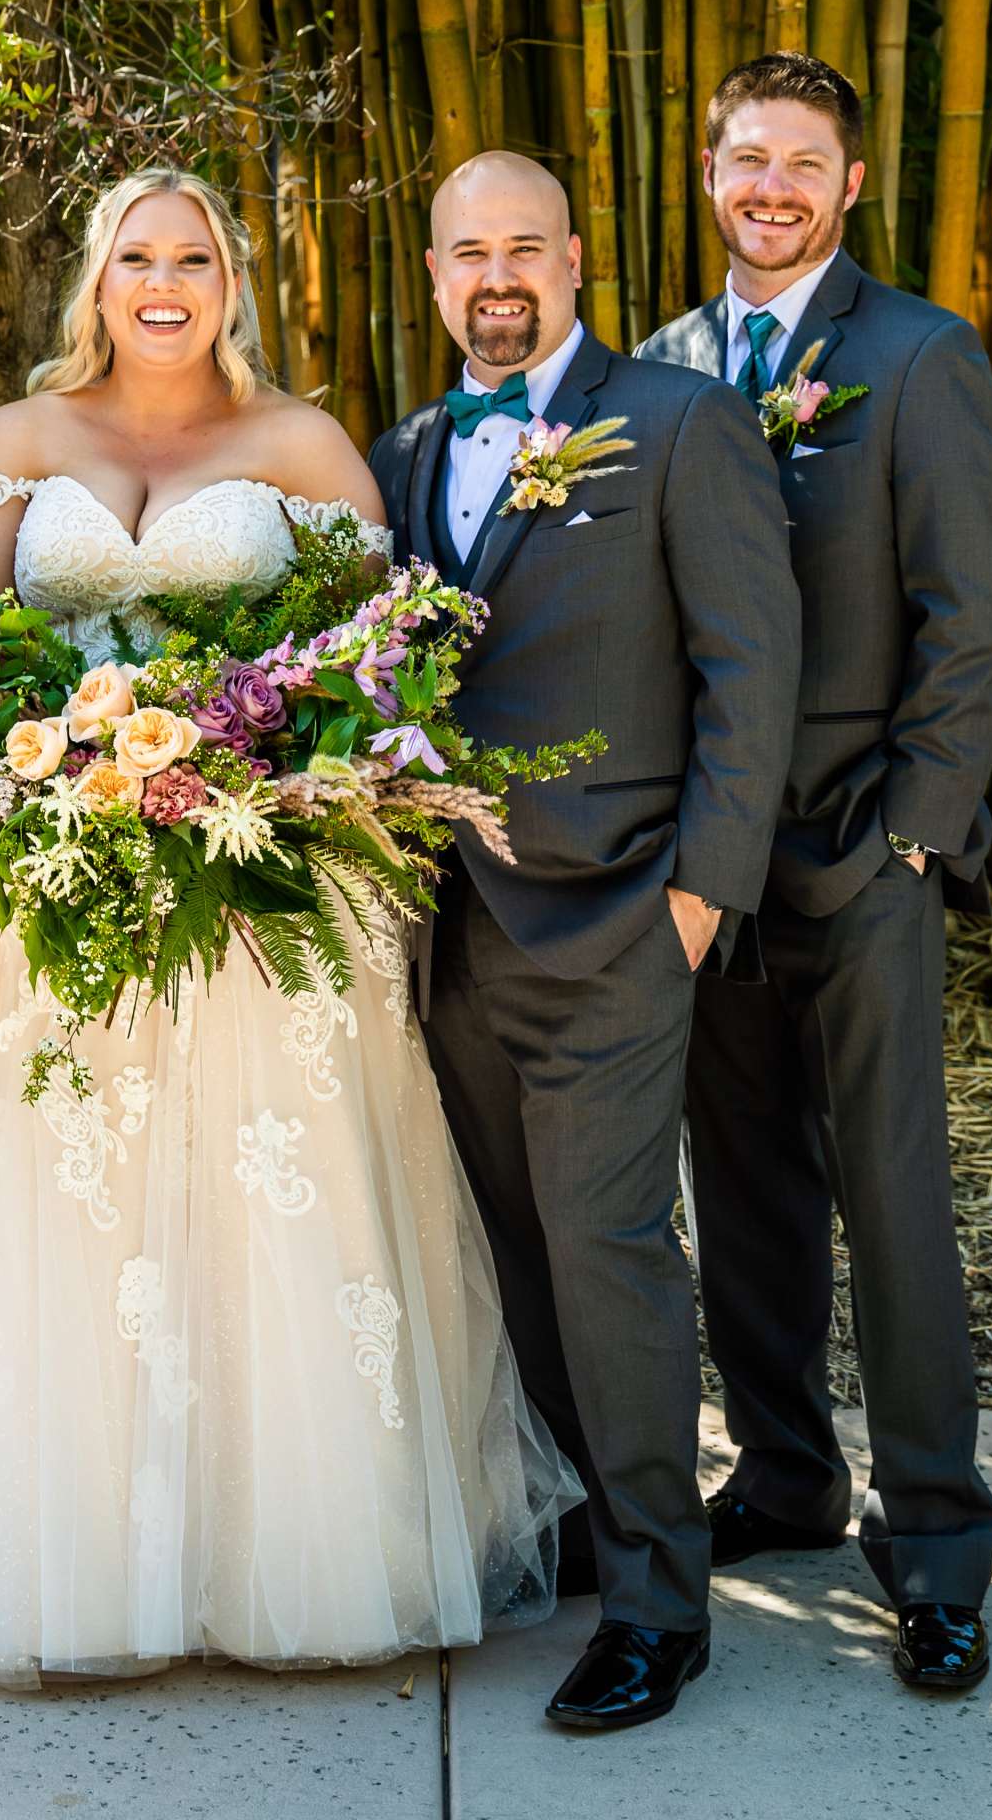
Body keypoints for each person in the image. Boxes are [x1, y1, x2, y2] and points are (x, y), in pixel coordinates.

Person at [0, 166, 580, 1686]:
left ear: (233, 282)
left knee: (264, 1200)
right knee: (61, 1205)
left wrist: (252, 770)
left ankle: (286, 1559)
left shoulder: (300, 444)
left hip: (260, 882)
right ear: (96, 282)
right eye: (137, 257)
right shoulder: (17, 442)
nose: (166, 282)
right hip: (47, 877)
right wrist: (62, 774)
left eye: (196, 258)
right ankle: (71, 1567)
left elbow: (377, 672)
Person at [370, 150, 800, 1732]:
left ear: (574, 259)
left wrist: (700, 894)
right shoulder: (404, 449)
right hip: (449, 925)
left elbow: (751, 672)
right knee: (510, 1249)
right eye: (467, 252)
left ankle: (655, 1605)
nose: (497, 277)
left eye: (525, 249)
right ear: (432, 274)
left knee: (612, 1248)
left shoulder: (682, 425)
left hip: (622, 907)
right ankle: (563, 1531)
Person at [638, 52, 992, 1694]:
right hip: (709, 854)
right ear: (707, 176)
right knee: (748, 1196)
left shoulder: (920, 356)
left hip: (866, 841)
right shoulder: (652, 368)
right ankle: (789, 1478)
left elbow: (973, 616)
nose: (771, 187)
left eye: (803, 162)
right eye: (744, 159)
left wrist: (920, 830)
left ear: (850, 183)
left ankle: (934, 1541)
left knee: (896, 1198)